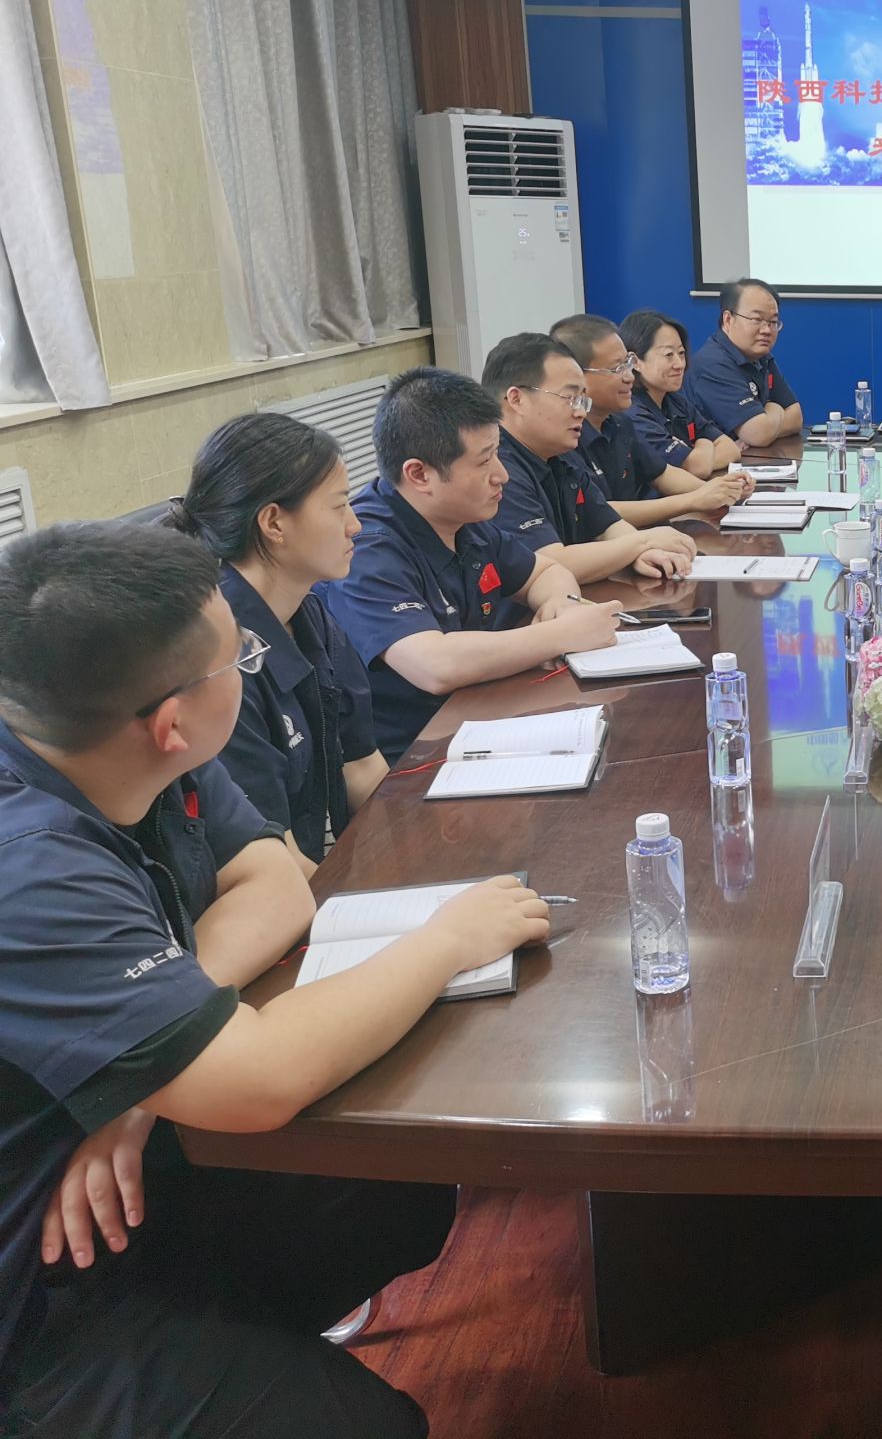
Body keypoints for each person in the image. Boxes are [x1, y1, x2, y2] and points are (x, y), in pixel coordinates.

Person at [0, 521, 554, 1436]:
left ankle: (248, 1349)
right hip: (45, 1294)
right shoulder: (31, 869)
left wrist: (146, 1065)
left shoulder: (113, 739)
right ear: (172, 723)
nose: (251, 668)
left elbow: (278, 884)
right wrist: (446, 940)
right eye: (240, 660)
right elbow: (257, 1078)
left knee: (392, 1194)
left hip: (138, 1181)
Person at [321, 367, 622, 761]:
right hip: (416, 758)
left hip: (485, 717)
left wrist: (561, 604)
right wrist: (561, 634)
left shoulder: (463, 519)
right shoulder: (367, 548)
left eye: (497, 453)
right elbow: (435, 665)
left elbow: (546, 571)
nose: (502, 475)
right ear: (419, 474)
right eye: (484, 462)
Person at [167, 412, 385, 877]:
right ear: (273, 522)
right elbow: (276, 860)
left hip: (321, 871)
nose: (355, 526)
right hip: (280, 888)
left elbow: (363, 766)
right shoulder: (218, 657)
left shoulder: (309, 614)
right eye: (339, 507)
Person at [480, 332, 699, 586]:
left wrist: (642, 553)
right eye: (570, 398)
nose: (581, 412)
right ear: (517, 399)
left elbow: (607, 525)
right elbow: (547, 563)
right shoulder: (496, 467)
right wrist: (642, 542)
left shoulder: (560, 456)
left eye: (583, 399)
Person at [553, 313, 751, 523]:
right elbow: (598, 512)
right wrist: (694, 500)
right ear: (576, 375)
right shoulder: (565, 438)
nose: (629, 376)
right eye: (616, 369)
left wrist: (719, 491)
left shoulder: (619, 422)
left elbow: (662, 475)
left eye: (627, 364)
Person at [616, 309, 742, 479]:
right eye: (669, 355)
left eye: (681, 353)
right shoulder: (632, 412)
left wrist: (701, 457)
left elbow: (731, 449)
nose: (679, 364)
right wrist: (704, 443)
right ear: (636, 361)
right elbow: (696, 467)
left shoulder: (674, 400)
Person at [682, 278, 804, 447]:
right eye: (756, 319)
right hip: (716, 462)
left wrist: (768, 425)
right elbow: (758, 434)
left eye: (773, 322)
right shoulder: (713, 364)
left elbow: (796, 418)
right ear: (728, 319)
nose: (766, 330)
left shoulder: (761, 356)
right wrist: (774, 408)